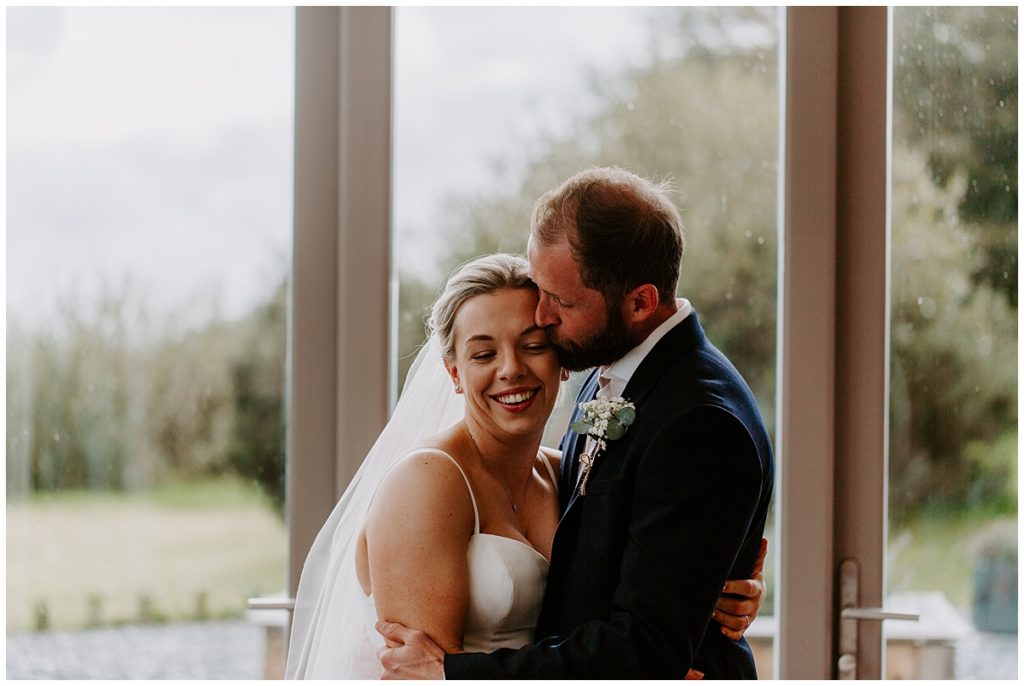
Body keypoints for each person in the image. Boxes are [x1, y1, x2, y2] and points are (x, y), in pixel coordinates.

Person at [286, 252, 765, 678]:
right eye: (483, 353)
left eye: (533, 345)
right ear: (455, 373)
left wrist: (713, 593)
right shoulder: (428, 483)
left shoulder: (571, 471)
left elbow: (645, 601)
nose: (510, 368)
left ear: (564, 360)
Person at [377, 167, 775, 679]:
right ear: (453, 370)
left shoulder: (699, 421)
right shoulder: (611, 370)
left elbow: (646, 648)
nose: (542, 316)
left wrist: (457, 673)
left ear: (640, 302)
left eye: (559, 304)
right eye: (482, 353)